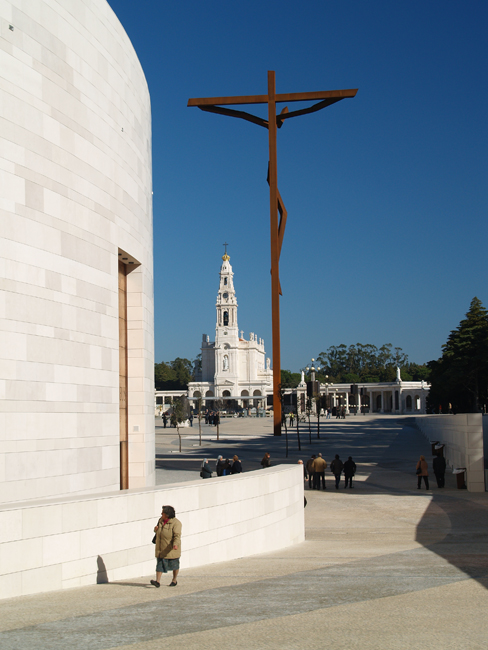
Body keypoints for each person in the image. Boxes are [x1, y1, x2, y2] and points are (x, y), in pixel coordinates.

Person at [151, 505, 182, 588]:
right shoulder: (160, 520)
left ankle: (174, 580)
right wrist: (155, 529)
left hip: (171, 549)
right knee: (159, 565)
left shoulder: (176, 523)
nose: (161, 514)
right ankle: (157, 581)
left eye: (163, 513)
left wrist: (175, 545)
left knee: (174, 565)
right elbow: (158, 531)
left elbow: (177, 536)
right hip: (161, 548)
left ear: (167, 514)